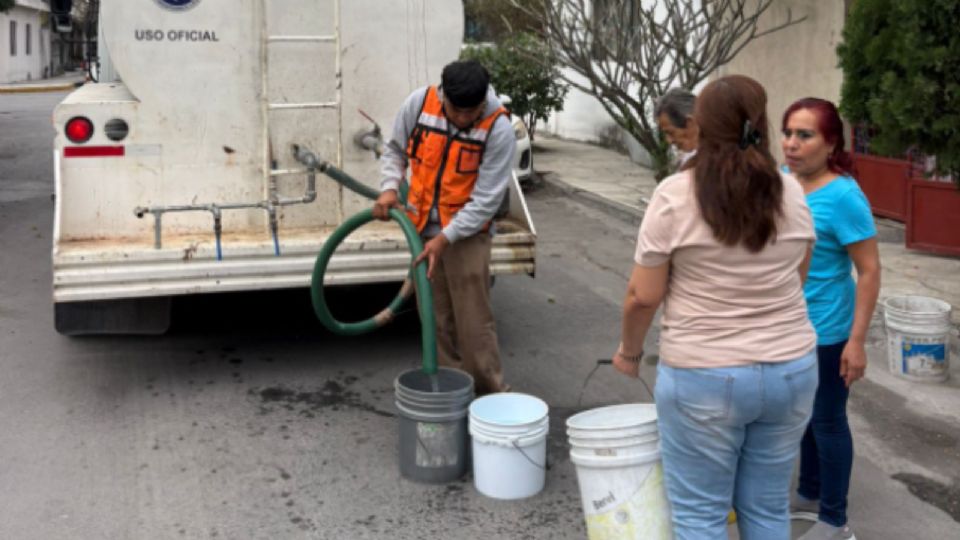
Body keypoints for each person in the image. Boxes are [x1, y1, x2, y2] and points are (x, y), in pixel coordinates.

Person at [614, 75, 819, 539]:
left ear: (701, 125)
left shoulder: (674, 195)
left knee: (700, 517)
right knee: (767, 509)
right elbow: (796, 278)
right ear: (761, 124)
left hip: (704, 376)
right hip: (790, 370)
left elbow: (643, 295)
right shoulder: (792, 193)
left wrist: (629, 351)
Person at [372, 60, 515, 395]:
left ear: (484, 101)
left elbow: (486, 201)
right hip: (422, 229)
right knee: (434, 320)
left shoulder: (498, 128)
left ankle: (489, 396)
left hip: (468, 235)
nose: (463, 119)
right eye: (456, 110)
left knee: (473, 323)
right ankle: (452, 391)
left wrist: (446, 238)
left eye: (472, 112)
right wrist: (389, 187)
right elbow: (394, 151)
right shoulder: (420, 104)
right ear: (442, 94)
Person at [782, 98, 881, 540]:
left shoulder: (843, 195)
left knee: (827, 418)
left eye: (805, 135)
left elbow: (870, 270)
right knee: (801, 415)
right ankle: (810, 491)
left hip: (829, 330)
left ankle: (835, 520)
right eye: (787, 133)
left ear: (831, 143)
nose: (791, 144)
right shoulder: (783, 182)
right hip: (788, 325)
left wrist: (856, 341)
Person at [655, 88, 699, 168]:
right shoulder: (688, 159)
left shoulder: (722, 161)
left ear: (690, 123)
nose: (669, 141)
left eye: (671, 133)